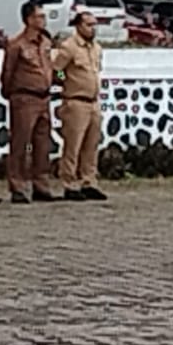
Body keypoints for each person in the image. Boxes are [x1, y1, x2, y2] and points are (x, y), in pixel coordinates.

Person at [2, 0, 56, 203]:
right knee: (20, 143)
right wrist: (12, 93)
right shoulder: (17, 45)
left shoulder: (46, 43)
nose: (43, 20)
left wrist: (60, 76)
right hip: (24, 96)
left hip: (44, 97)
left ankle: (41, 183)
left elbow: (53, 66)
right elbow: (8, 72)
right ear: (29, 19)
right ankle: (17, 184)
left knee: (42, 144)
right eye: (40, 16)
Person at [54, 10, 107, 201]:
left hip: (93, 101)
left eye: (94, 25)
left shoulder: (96, 49)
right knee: (73, 145)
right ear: (78, 26)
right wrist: (64, 81)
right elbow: (57, 70)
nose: (92, 28)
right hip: (75, 101)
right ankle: (70, 182)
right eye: (88, 25)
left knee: (91, 145)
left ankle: (89, 180)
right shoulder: (69, 47)